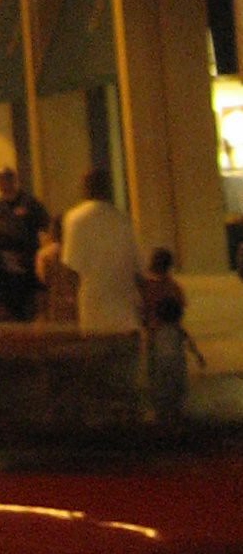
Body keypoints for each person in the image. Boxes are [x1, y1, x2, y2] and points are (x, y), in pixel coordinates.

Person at [60, 167, 141, 335]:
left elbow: (71, 266)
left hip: (92, 307)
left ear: (86, 187)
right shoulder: (123, 219)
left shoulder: (76, 219)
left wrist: (68, 302)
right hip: (125, 308)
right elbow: (137, 267)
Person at [140, 248, 203, 419]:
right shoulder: (173, 287)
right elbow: (182, 312)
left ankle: (158, 409)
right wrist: (198, 356)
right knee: (177, 379)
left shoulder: (145, 287)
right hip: (174, 348)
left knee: (155, 376)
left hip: (154, 335)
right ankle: (176, 408)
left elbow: (142, 311)